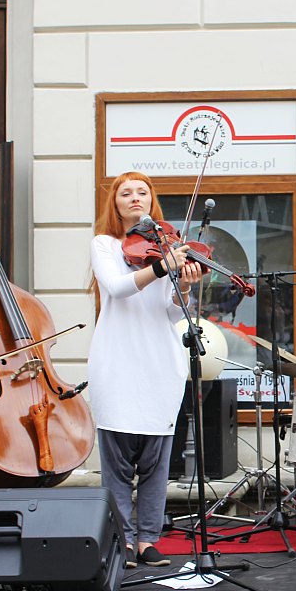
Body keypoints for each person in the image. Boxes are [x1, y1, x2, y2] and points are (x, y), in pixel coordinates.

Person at [88, 171, 201, 569]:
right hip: (117, 363)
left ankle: (148, 540)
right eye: (126, 193)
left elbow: (171, 313)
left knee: (156, 463)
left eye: (142, 192)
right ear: (115, 203)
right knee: (117, 464)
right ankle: (122, 539)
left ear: (152, 201)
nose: (135, 197)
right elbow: (117, 288)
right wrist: (162, 268)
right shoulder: (105, 245)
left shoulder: (165, 246)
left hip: (160, 364)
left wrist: (184, 286)